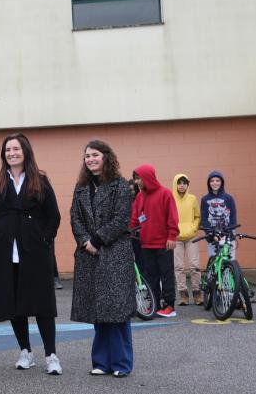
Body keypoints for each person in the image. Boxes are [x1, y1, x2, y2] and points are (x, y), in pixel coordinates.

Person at [0, 133, 62, 375]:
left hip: (34, 252)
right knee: (14, 305)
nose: (12, 153)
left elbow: (53, 216)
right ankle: (25, 351)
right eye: (7, 150)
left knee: (42, 305)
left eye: (16, 149)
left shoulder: (40, 180)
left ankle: (51, 355)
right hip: (6, 253)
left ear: (25, 151)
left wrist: (43, 238)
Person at [70, 140, 136, 378]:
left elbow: (121, 219)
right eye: (87, 156)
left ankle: (121, 363)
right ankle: (101, 362)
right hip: (89, 256)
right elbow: (74, 218)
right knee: (99, 312)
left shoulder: (120, 186)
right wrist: (86, 241)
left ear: (106, 157)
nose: (90, 159)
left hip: (114, 255)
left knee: (117, 312)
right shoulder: (81, 188)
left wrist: (97, 240)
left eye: (95, 155)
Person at [129, 165, 179, 318]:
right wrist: (128, 231)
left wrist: (172, 236)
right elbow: (134, 218)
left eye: (139, 178)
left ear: (147, 178)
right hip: (146, 243)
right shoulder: (140, 197)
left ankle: (169, 305)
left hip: (164, 243)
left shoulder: (165, 194)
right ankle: (155, 303)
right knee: (151, 275)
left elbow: (172, 217)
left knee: (166, 274)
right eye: (136, 178)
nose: (137, 182)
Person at [172, 173, 202, 306]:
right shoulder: (171, 198)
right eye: (179, 182)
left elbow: (197, 216)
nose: (182, 185)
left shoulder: (192, 198)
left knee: (194, 266)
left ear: (187, 185)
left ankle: (197, 294)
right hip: (176, 238)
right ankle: (183, 295)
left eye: (184, 183)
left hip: (191, 237)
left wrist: (194, 228)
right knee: (178, 267)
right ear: (175, 184)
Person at [200, 171, 238, 259]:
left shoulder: (229, 198)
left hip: (228, 233)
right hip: (212, 234)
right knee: (214, 260)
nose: (215, 183)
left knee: (229, 260)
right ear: (209, 183)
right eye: (212, 181)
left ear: (222, 182)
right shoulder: (205, 199)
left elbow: (233, 216)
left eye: (217, 180)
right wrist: (210, 233)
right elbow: (204, 218)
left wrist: (231, 231)